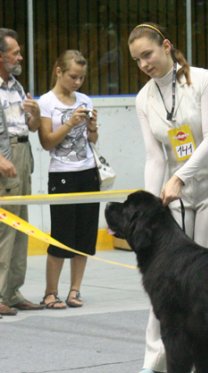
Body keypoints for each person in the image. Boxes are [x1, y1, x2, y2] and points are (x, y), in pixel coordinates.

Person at [128, 22, 208, 373]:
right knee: (162, 278)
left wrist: (180, 178)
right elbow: (154, 157)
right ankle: (156, 357)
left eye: (148, 54)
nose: (144, 63)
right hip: (176, 194)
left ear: (166, 46)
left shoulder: (204, 80)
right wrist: (148, 206)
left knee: (207, 281)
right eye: (137, 59)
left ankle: (205, 363)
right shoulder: (144, 99)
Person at [37, 50, 100, 309]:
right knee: (61, 235)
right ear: (58, 71)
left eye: (82, 78)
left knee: (85, 235)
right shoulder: (46, 102)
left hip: (87, 170)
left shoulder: (84, 99)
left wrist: (92, 127)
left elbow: (93, 141)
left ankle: (75, 290)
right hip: (62, 173)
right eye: (73, 76)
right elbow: (47, 142)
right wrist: (69, 123)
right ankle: (50, 292)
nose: (77, 82)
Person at [0, 28, 44, 317]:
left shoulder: (16, 86)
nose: (20, 56)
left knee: (21, 225)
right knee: (4, 229)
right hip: (5, 158)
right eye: (15, 52)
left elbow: (31, 127)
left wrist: (35, 114)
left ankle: (12, 291)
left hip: (23, 154)